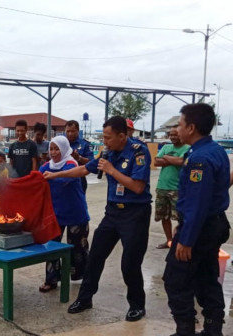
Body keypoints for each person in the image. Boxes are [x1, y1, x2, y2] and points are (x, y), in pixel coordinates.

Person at [44, 116, 151, 322]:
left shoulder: (139, 152)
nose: (105, 142)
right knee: (95, 256)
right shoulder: (107, 152)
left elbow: (138, 187)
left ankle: (137, 305)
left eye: (108, 138)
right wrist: (55, 175)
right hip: (112, 213)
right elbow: (85, 169)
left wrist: (112, 170)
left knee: (130, 263)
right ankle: (85, 298)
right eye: (103, 137)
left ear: (122, 136)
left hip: (134, 214)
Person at [163, 103, 230, 336]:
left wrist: (187, 240)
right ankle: (213, 329)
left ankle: (185, 330)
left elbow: (197, 203)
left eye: (180, 124)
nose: (177, 129)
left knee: (175, 279)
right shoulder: (214, 150)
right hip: (214, 224)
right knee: (206, 277)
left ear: (191, 127)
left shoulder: (199, 159)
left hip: (199, 228)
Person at [38, 136, 90, 292]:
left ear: (65, 149)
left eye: (57, 149)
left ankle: (84, 278)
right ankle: (51, 280)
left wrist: (52, 177)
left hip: (75, 213)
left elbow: (67, 179)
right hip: (55, 214)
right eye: (51, 149)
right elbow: (35, 181)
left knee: (77, 248)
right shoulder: (46, 166)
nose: (53, 152)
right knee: (52, 247)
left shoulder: (71, 164)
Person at [154, 127, 189, 249]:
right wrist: (173, 160)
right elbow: (156, 162)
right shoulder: (165, 147)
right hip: (162, 187)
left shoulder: (187, 148)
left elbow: (181, 161)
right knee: (164, 216)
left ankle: (181, 241)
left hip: (177, 189)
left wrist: (166, 158)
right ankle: (169, 241)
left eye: (175, 135)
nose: (173, 137)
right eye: (171, 135)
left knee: (181, 217)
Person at [65, 120, 94, 193]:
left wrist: (79, 158)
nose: (70, 134)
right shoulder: (61, 144)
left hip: (79, 180)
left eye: (73, 131)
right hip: (63, 179)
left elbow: (91, 162)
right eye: (68, 131)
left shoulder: (85, 144)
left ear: (78, 131)